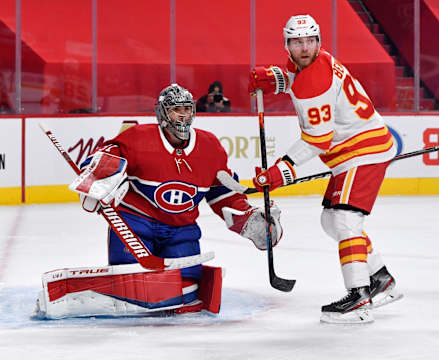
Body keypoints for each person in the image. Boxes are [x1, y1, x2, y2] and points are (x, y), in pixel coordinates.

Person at [33, 83, 282, 319]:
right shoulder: (138, 138)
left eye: (187, 109)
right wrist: (96, 181)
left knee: (186, 292)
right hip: (135, 224)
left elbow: (223, 195)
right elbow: (105, 156)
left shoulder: (210, 147)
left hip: (181, 229)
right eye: (176, 110)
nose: (183, 116)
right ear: (163, 114)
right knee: (135, 287)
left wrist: (251, 221)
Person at [248, 14, 402, 324]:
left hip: (361, 151)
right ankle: (381, 280)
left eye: (310, 41)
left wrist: (281, 170)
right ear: (287, 45)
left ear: (319, 42)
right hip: (352, 150)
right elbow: (295, 77)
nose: (304, 48)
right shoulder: (312, 64)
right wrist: (276, 79)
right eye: (297, 42)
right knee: (331, 220)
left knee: (345, 220)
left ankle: (359, 297)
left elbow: (317, 141)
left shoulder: (314, 81)